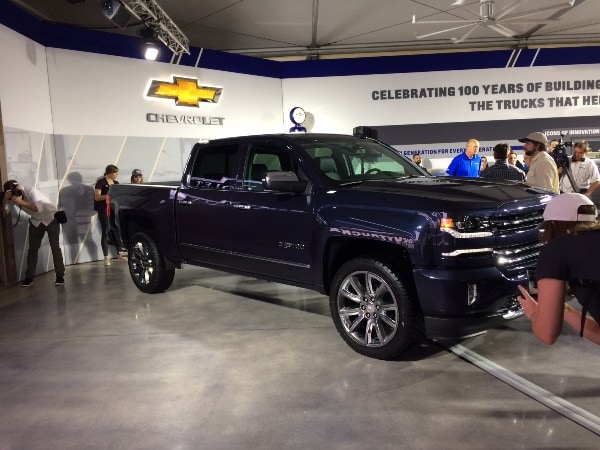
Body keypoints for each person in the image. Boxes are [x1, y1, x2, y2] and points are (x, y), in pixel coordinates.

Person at [517, 193, 600, 345]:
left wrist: (535, 312)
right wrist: (561, 309)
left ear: (553, 226)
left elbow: (547, 334)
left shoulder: (557, 249)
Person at [2, 180, 65, 286]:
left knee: (55, 247)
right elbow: (5, 212)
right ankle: (29, 277)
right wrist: (6, 198)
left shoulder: (31, 191)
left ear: (20, 188)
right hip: (36, 221)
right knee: (32, 249)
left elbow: (39, 209)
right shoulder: (13, 197)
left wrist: (20, 202)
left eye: (17, 191)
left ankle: (60, 276)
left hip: (50, 218)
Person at [94, 164, 122, 266]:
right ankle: (106, 256)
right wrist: (108, 196)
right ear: (109, 173)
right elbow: (97, 197)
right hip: (104, 209)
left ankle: (119, 253)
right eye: (115, 173)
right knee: (106, 230)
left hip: (114, 209)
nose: (117, 175)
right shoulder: (101, 182)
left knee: (116, 230)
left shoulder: (116, 183)